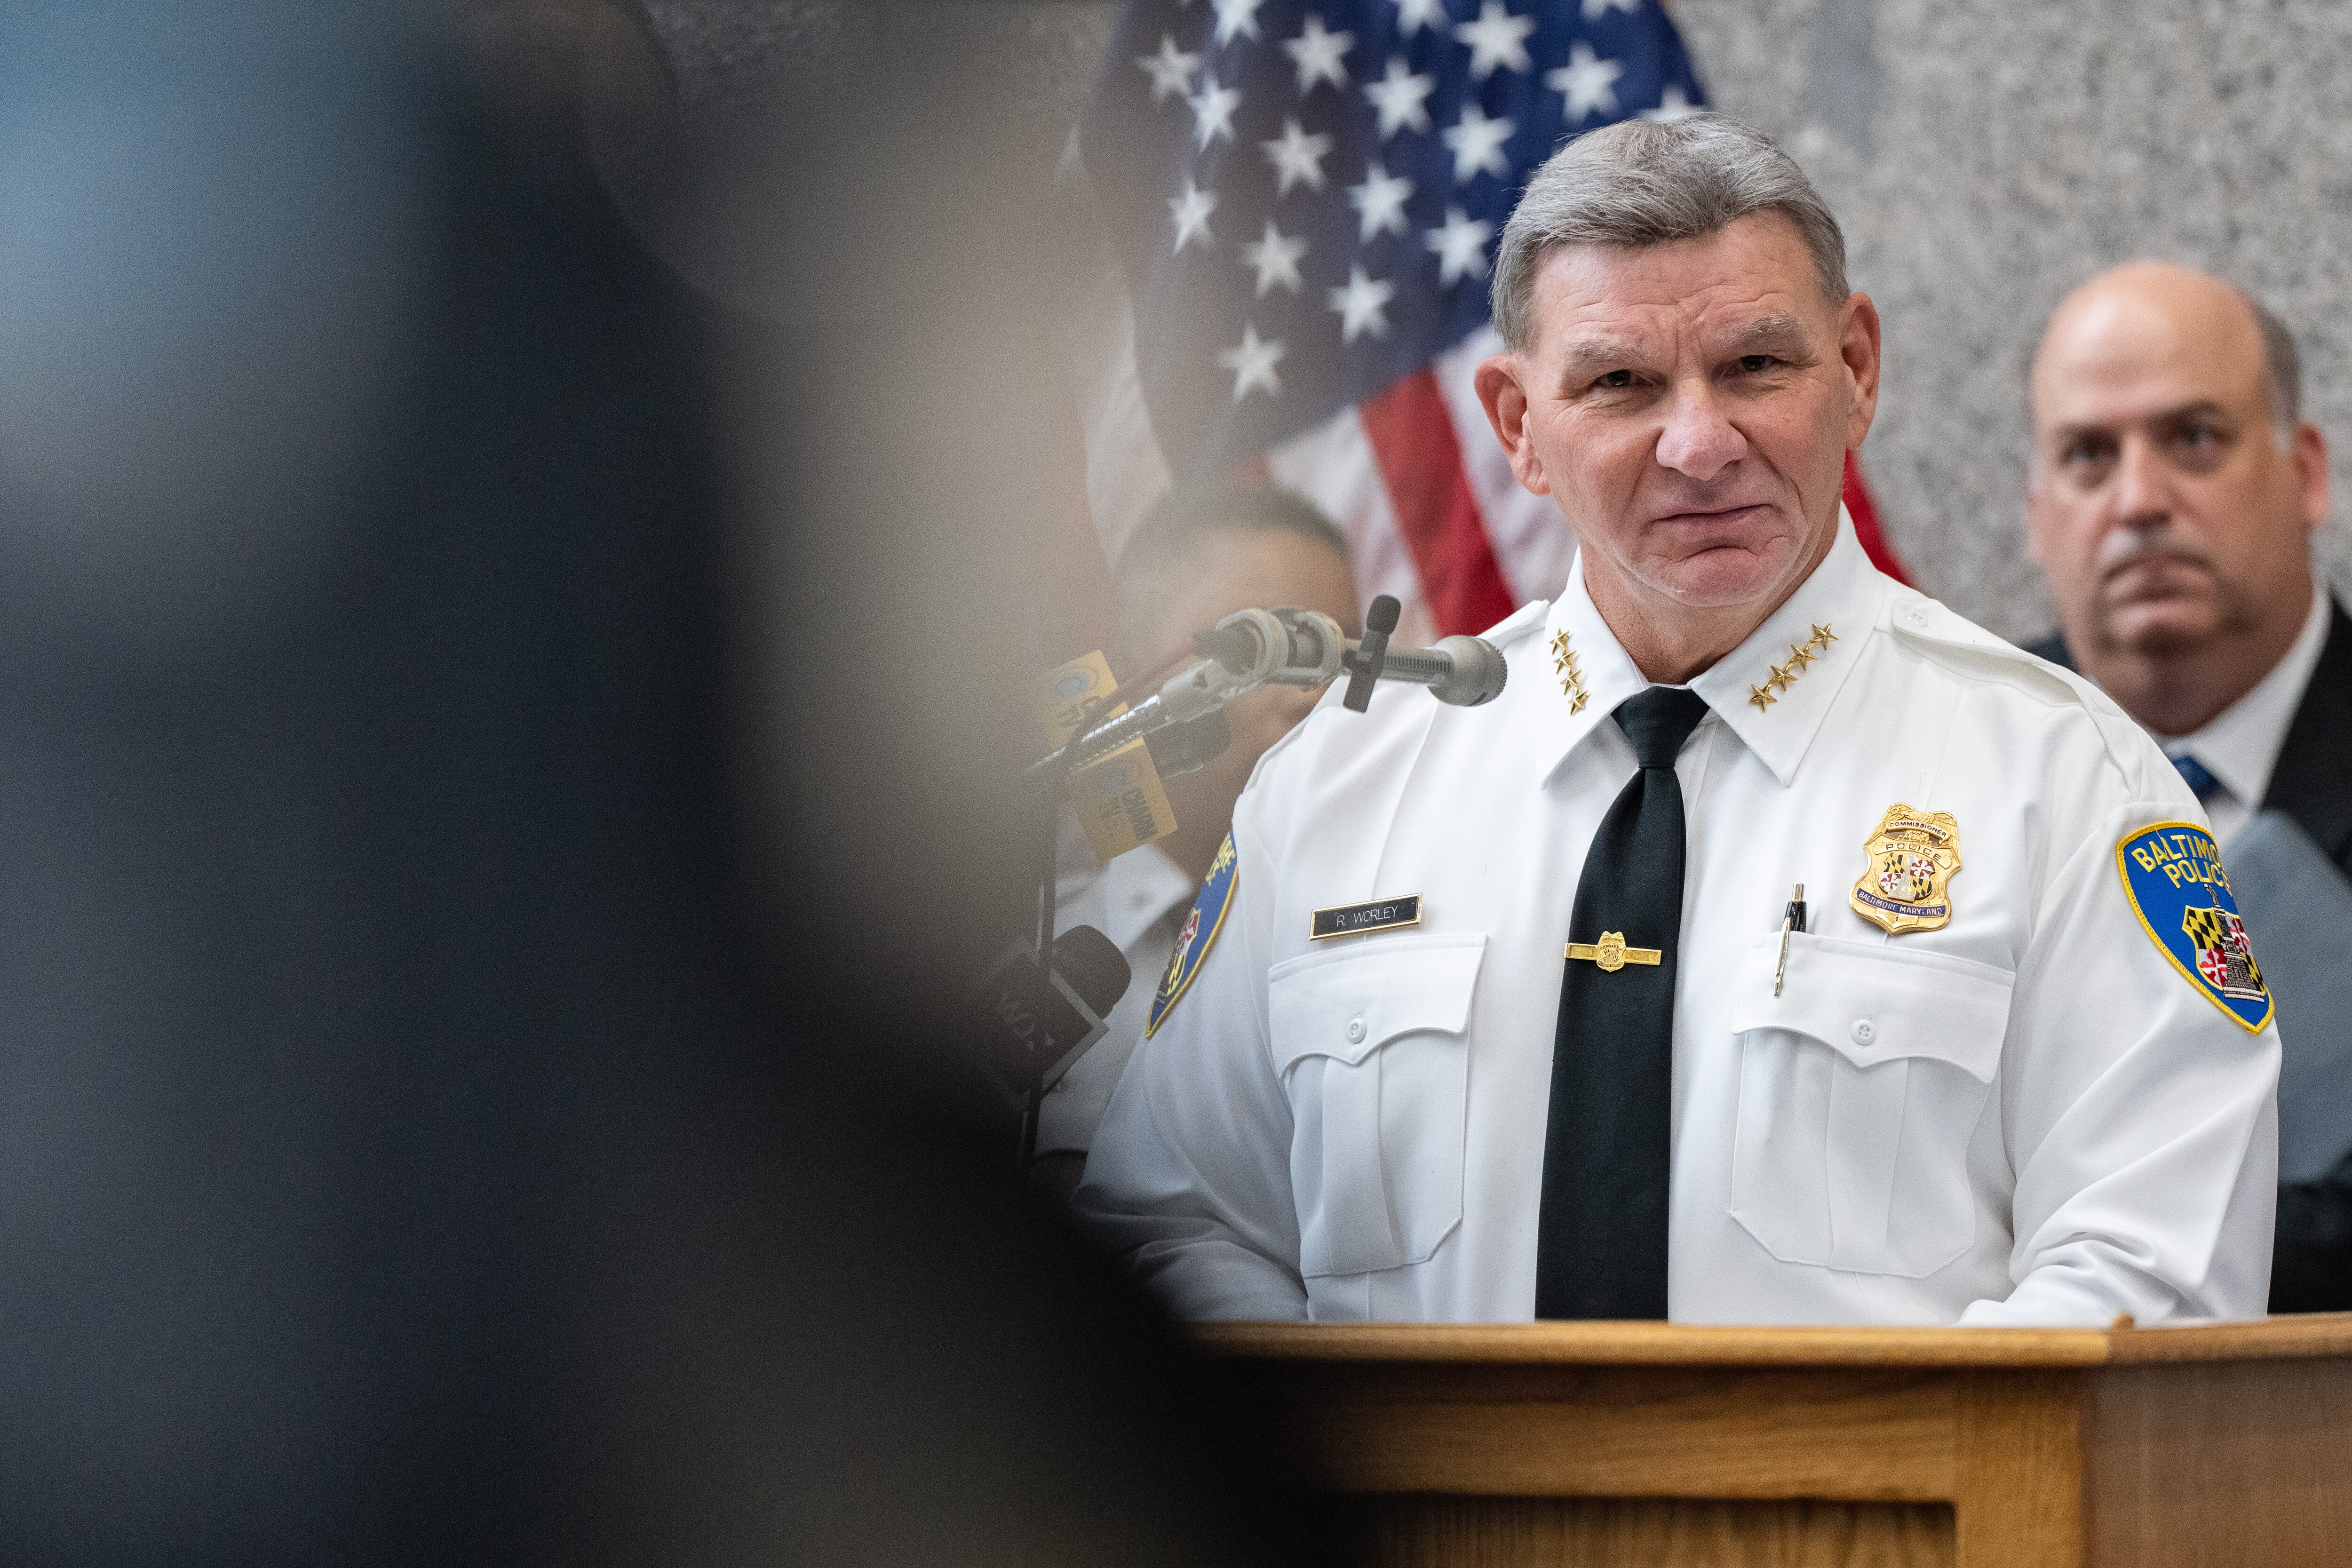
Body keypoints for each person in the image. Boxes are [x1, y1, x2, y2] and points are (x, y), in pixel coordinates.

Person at [1076, 114, 2280, 1327]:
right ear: (1516, 427)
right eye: (1620, 384)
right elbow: (1175, 1225)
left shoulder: (2067, 785)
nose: (1700, 446)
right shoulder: (1337, 785)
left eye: (1756, 366)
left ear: (1856, 368)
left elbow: (2151, 1275)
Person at [2024, 262, 2352, 1313]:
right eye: (2087, 456)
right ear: (2038, 515)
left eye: (2193, 439)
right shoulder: (1942, 760)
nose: (2138, 501)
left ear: (2306, 472)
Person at [1031, 487, 1362, 1202]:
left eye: (1339, 649)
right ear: (1128, 678)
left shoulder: (1397, 938)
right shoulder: (1028, 939)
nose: (1316, 692)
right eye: (1265, 646)